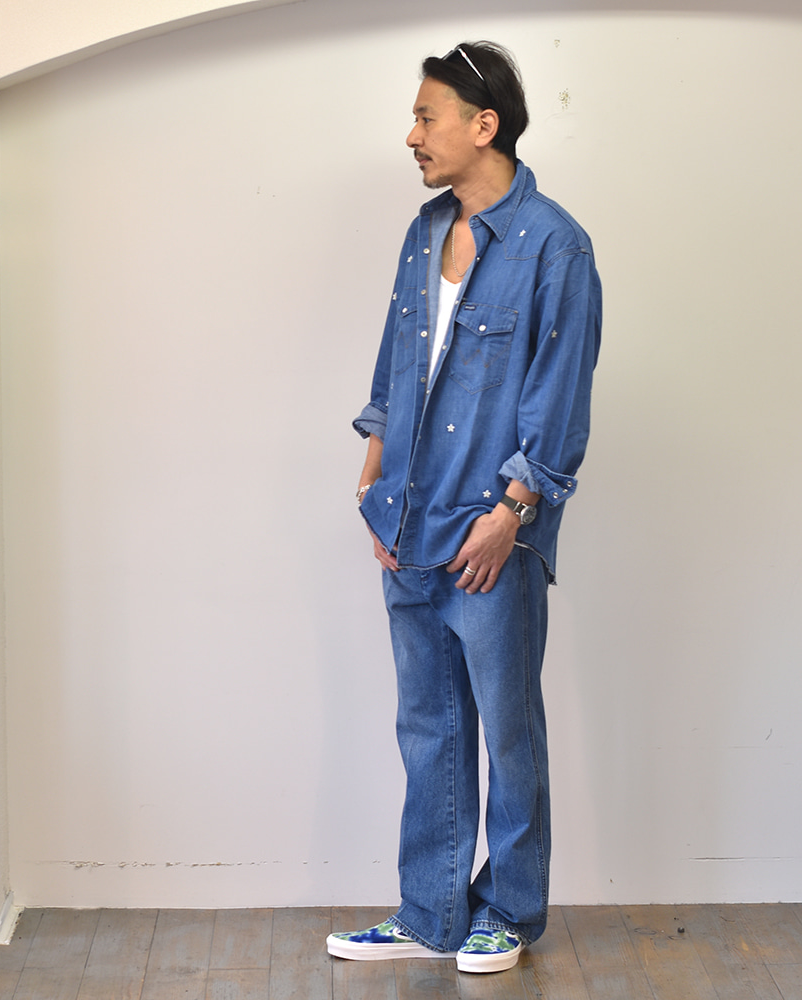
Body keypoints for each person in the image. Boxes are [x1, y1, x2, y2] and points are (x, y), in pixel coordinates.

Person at [326, 41, 601, 975]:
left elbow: (560, 397)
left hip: (492, 534)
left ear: (484, 125)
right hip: (407, 523)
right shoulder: (423, 230)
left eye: (425, 117)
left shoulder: (557, 245)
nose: (412, 136)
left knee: (508, 730)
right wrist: (373, 489)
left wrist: (513, 513)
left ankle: (509, 913)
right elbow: (394, 364)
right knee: (429, 729)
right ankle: (431, 912)